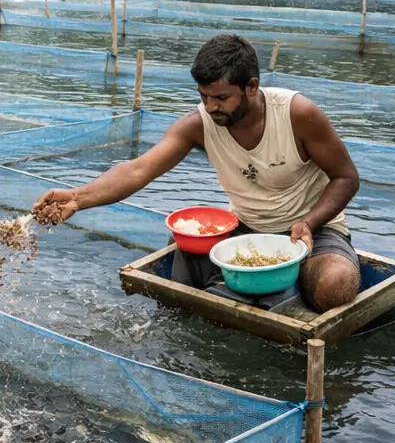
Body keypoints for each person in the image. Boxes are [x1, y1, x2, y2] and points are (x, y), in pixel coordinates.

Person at [32, 33, 362, 312]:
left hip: (311, 231)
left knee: (336, 285)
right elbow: (138, 170)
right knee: (181, 263)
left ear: (251, 87)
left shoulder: (296, 114)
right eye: (203, 97)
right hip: (244, 231)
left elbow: (346, 177)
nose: (211, 107)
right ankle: (261, 293)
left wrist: (309, 222)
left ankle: (283, 289)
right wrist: (77, 198)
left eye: (221, 98)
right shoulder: (199, 125)